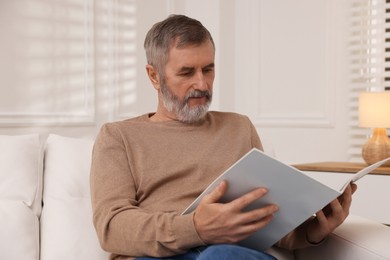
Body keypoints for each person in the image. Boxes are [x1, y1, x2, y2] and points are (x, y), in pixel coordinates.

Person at [90, 14, 357, 260]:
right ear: (154, 76)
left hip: (233, 254)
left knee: (221, 255)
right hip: (159, 256)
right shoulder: (118, 137)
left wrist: (313, 231)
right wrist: (196, 228)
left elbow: (266, 218)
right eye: (186, 72)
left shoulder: (238, 127)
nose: (202, 84)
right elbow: (112, 228)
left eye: (208, 69)